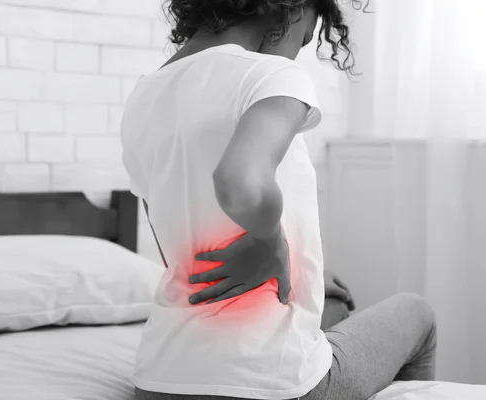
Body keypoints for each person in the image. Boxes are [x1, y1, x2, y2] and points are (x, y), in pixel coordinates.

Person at [121, 1, 437, 399]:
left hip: (159, 383)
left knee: (335, 308)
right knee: (417, 313)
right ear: (293, 7)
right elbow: (241, 182)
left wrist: (302, 270)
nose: (300, 48)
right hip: (273, 386)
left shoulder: (143, 97)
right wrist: (268, 240)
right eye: (306, 37)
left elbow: (176, 254)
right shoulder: (273, 75)